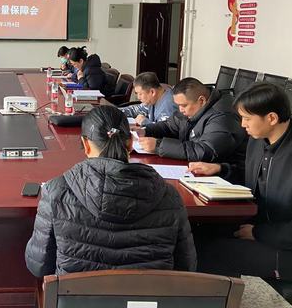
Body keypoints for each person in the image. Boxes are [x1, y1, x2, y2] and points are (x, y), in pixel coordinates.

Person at [25, 105, 196, 277]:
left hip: (77, 293)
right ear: (130, 143)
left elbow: (38, 266)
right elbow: (186, 268)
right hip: (148, 294)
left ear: (86, 144)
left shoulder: (56, 192)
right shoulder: (169, 196)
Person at [195, 82, 292, 283]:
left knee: (208, 252)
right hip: (260, 226)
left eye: (247, 118)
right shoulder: (258, 140)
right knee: (194, 232)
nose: (242, 124)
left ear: (271, 118)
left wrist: (257, 233)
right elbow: (255, 176)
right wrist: (220, 169)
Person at [136, 77, 247, 183]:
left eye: (183, 105)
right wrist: (145, 130)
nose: (180, 110)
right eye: (178, 105)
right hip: (198, 172)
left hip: (226, 179)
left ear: (201, 100)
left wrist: (158, 146)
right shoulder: (192, 107)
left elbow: (205, 151)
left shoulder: (223, 116)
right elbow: (170, 125)